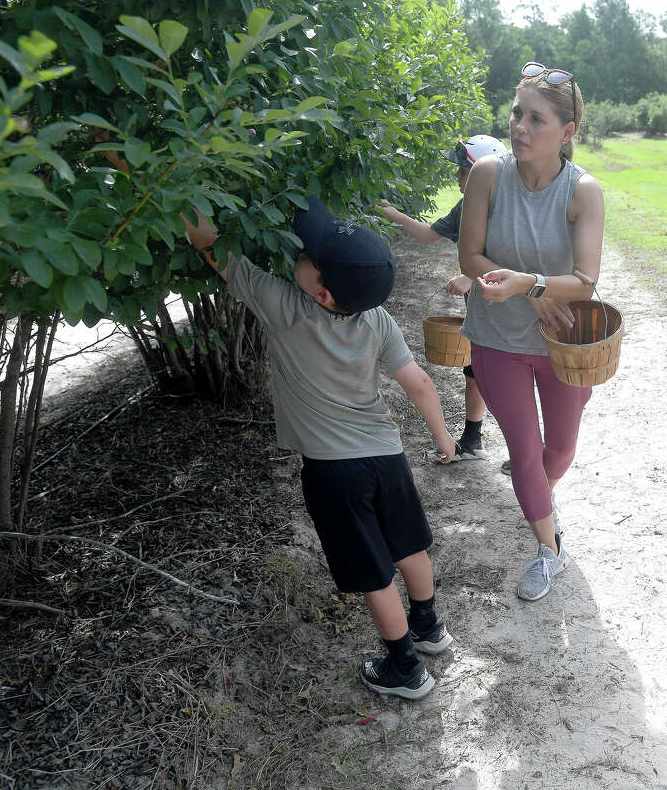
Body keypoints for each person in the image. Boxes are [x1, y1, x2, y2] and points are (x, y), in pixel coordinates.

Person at [183, 197, 457, 700]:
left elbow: (213, 248)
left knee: (373, 570)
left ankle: (406, 670)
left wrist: (171, 193)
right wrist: (443, 436)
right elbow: (417, 382)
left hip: (335, 472)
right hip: (386, 455)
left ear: (324, 292)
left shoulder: (282, 305)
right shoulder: (378, 320)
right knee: (408, 545)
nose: (299, 254)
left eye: (309, 257)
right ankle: (429, 628)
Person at [456, 62, 605, 601]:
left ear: (565, 133)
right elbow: (469, 255)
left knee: (559, 451)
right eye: (517, 113)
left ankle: (542, 496)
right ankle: (549, 550)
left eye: (535, 119)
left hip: (563, 345)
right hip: (497, 339)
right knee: (524, 449)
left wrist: (534, 286)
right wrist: (524, 290)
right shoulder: (488, 175)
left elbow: (585, 282)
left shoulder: (583, 191)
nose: (519, 126)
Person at [377, 135, 508, 465]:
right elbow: (430, 234)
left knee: (511, 376)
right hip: (482, 308)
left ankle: (529, 452)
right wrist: (392, 213)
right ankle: (474, 439)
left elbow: (517, 260)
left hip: (513, 309)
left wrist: (470, 276)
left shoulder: (512, 206)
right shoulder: (467, 205)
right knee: (476, 370)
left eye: (463, 170)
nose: (458, 177)